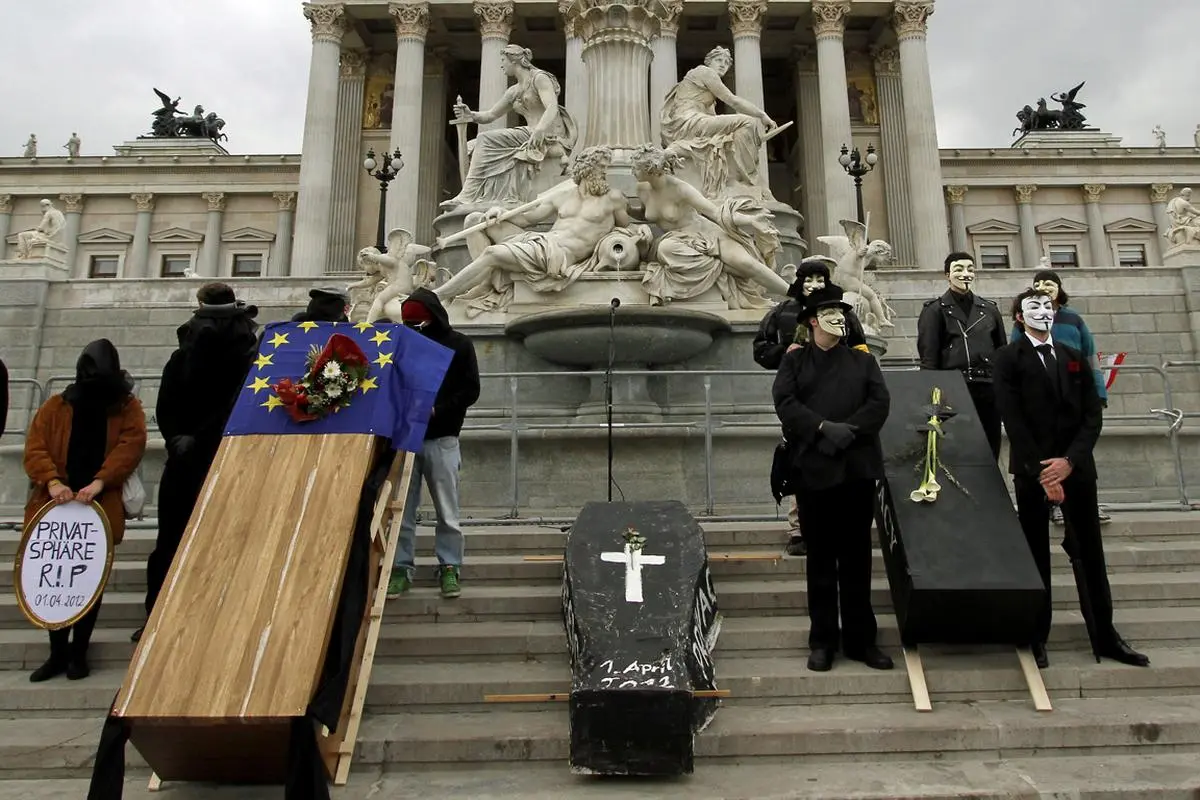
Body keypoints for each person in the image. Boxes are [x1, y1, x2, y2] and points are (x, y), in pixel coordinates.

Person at [993, 288, 1149, 670]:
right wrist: (1043, 470)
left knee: (1090, 553)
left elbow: (1091, 416)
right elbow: (1012, 418)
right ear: (1018, 317)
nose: (1043, 312)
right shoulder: (1007, 359)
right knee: (1035, 554)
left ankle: (1105, 634)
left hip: (1076, 470)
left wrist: (1069, 462)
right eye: (1034, 307)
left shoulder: (1073, 357)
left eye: (1048, 306)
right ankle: (1035, 634)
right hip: (1034, 472)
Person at [773, 284, 892, 673]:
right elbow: (785, 404)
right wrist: (823, 428)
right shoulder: (794, 362)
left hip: (857, 468)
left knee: (857, 559)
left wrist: (850, 431)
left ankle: (861, 640)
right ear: (811, 321)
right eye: (830, 312)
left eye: (843, 311)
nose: (839, 318)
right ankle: (822, 640)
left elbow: (879, 402)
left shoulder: (863, 361)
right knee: (821, 559)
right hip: (814, 469)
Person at [132, 283, 259, 642]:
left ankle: (157, 615)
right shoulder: (247, 350)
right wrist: (198, 438)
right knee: (223, 537)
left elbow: (166, 401)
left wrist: (178, 438)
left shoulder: (186, 347)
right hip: (223, 452)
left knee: (171, 539)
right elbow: (236, 403)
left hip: (188, 454)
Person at [23, 340, 147, 681]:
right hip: (56, 503)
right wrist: (51, 481)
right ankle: (57, 653)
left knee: (89, 581)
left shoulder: (126, 407)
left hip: (97, 502)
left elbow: (131, 445)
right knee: (54, 579)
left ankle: (79, 653)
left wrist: (100, 481)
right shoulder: (56, 407)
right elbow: (36, 447)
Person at [753, 259, 867, 557]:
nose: (815, 285)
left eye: (820, 279)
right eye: (809, 279)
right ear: (799, 282)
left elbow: (861, 349)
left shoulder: (843, 314)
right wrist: (783, 351)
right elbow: (760, 349)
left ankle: (839, 521)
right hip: (800, 400)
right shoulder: (781, 312)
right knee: (800, 459)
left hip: (840, 397)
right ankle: (798, 528)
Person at [434, 146, 630, 305]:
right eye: (601, 167)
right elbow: (527, 219)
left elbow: (625, 229)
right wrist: (499, 212)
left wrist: (640, 233)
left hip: (557, 255)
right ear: (587, 168)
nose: (605, 172)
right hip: (540, 242)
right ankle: (486, 283)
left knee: (492, 254)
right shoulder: (563, 195)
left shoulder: (613, 198)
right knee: (475, 220)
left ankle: (437, 296)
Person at [387, 289, 481, 600]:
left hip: (442, 437)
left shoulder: (459, 344)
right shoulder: (400, 345)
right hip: (404, 437)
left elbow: (471, 389)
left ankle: (450, 565)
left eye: (418, 322)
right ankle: (400, 566)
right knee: (402, 509)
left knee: (447, 509)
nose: (414, 328)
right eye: (408, 323)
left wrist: (439, 410)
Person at [630, 144, 789, 306]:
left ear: (651, 170)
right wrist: (626, 210)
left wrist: (750, 220)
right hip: (677, 240)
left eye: (636, 168)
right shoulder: (642, 189)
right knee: (665, 247)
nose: (632, 171)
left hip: (706, 234)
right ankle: (720, 267)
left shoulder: (680, 189)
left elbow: (715, 212)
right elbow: (647, 214)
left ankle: (793, 292)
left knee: (745, 263)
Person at [1010, 269, 1110, 524]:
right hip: (1040, 398)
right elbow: (1014, 355)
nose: (1044, 288)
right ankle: (1055, 503)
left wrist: (1098, 391)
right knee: (1049, 454)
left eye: (1049, 284)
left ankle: (1087, 504)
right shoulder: (1023, 326)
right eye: (1038, 285)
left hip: (1076, 393)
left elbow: (1090, 355)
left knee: (1078, 456)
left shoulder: (1074, 319)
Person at [443, 44, 577, 209]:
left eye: (503, 61)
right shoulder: (514, 91)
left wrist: (540, 130)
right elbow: (491, 115)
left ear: (514, 61)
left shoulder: (539, 78)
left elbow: (552, 107)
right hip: (529, 133)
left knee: (484, 139)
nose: (501, 65)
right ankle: (485, 197)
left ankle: (467, 194)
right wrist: (470, 115)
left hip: (547, 134)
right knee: (472, 146)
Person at [917, 252, 1006, 460]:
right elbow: (929, 356)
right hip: (954, 386)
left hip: (988, 386)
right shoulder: (935, 310)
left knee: (989, 448)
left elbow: (1001, 350)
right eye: (959, 269)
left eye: (970, 269)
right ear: (947, 275)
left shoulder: (989, 309)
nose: (966, 274)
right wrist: (932, 397)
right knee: (957, 450)